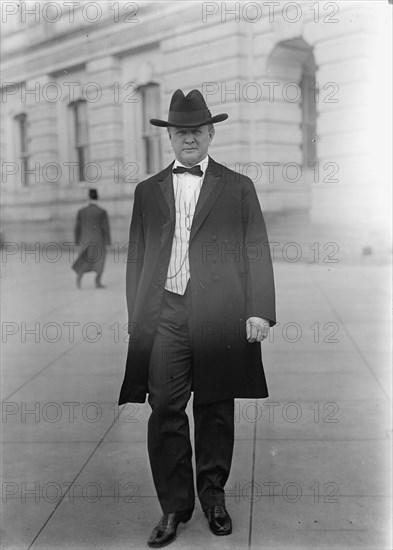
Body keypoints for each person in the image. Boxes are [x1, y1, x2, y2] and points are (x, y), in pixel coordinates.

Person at [118, 89, 276, 548]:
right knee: (165, 407)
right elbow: (136, 258)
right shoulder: (146, 191)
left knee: (214, 408)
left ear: (210, 133)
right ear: (170, 139)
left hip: (220, 316)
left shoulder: (237, 186)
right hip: (165, 314)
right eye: (180, 132)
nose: (188, 139)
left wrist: (259, 310)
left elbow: (256, 249)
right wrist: (137, 319)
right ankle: (174, 506)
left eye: (196, 131)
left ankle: (212, 498)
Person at [72, 188, 111, 289]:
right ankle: (98, 281)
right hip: (99, 241)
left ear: (88, 197)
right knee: (100, 261)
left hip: (84, 240)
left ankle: (79, 278)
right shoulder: (102, 211)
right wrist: (108, 242)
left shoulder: (81, 211)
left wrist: (76, 241)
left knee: (83, 260)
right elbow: (106, 228)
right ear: (97, 197)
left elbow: (77, 228)